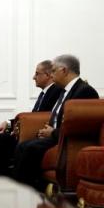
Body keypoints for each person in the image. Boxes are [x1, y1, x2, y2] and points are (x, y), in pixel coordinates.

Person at [13, 54, 100, 188]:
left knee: (29, 148)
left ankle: (27, 192)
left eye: (53, 70)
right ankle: (20, 190)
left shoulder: (84, 91)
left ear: (64, 71)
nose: (51, 75)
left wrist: (53, 133)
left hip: (64, 140)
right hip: (54, 136)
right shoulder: (63, 90)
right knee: (22, 146)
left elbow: (79, 127)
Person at [0, 60, 62, 175]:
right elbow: (32, 117)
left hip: (39, 134)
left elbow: (43, 117)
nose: (34, 77)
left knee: (1, 139)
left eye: (37, 73)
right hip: (32, 131)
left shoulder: (56, 91)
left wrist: (18, 126)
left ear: (48, 75)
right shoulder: (45, 93)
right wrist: (9, 123)